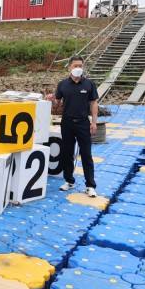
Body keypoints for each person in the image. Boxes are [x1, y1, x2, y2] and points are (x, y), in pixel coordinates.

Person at [46, 55, 99, 198]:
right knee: (67, 153)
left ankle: (90, 185)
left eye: (80, 66)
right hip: (67, 123)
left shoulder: (89, 84)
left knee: (86, 154)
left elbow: (94, 103)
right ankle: (69, 180)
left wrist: (94, 122)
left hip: (83, 123)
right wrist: (51, 100)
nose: (78, 68)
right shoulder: (62, 84)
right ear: (70, 68)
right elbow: (56, 104)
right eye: (75, 66)